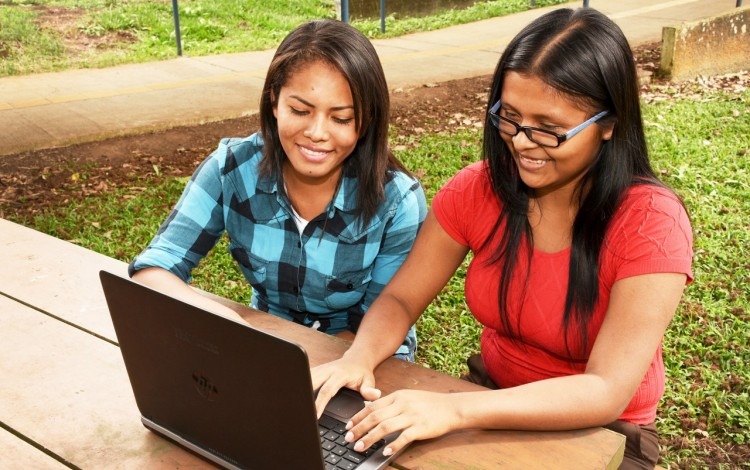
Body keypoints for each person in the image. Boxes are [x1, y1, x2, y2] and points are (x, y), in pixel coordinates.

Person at [311, 7, 693, 469]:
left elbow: (606, 390)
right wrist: (360, 356)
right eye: (509, 117)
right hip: (488, 399)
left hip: (604, 435)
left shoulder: (651, 223)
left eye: (549, 130)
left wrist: (454, 409)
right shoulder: (478, 189)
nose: (521, 142)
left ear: (610, 124)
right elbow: (401, 301)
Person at [128, 19, 427, 360]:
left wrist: (286, 359)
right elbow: (154, 268)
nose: (317, 132)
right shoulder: (232, 169)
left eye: (341, 119)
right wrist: (229, 325)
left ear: (367, 119)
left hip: (366, 359)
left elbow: (381, 320)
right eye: (300, 110)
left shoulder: (398, 202)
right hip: (264, 348)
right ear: (274, 101)